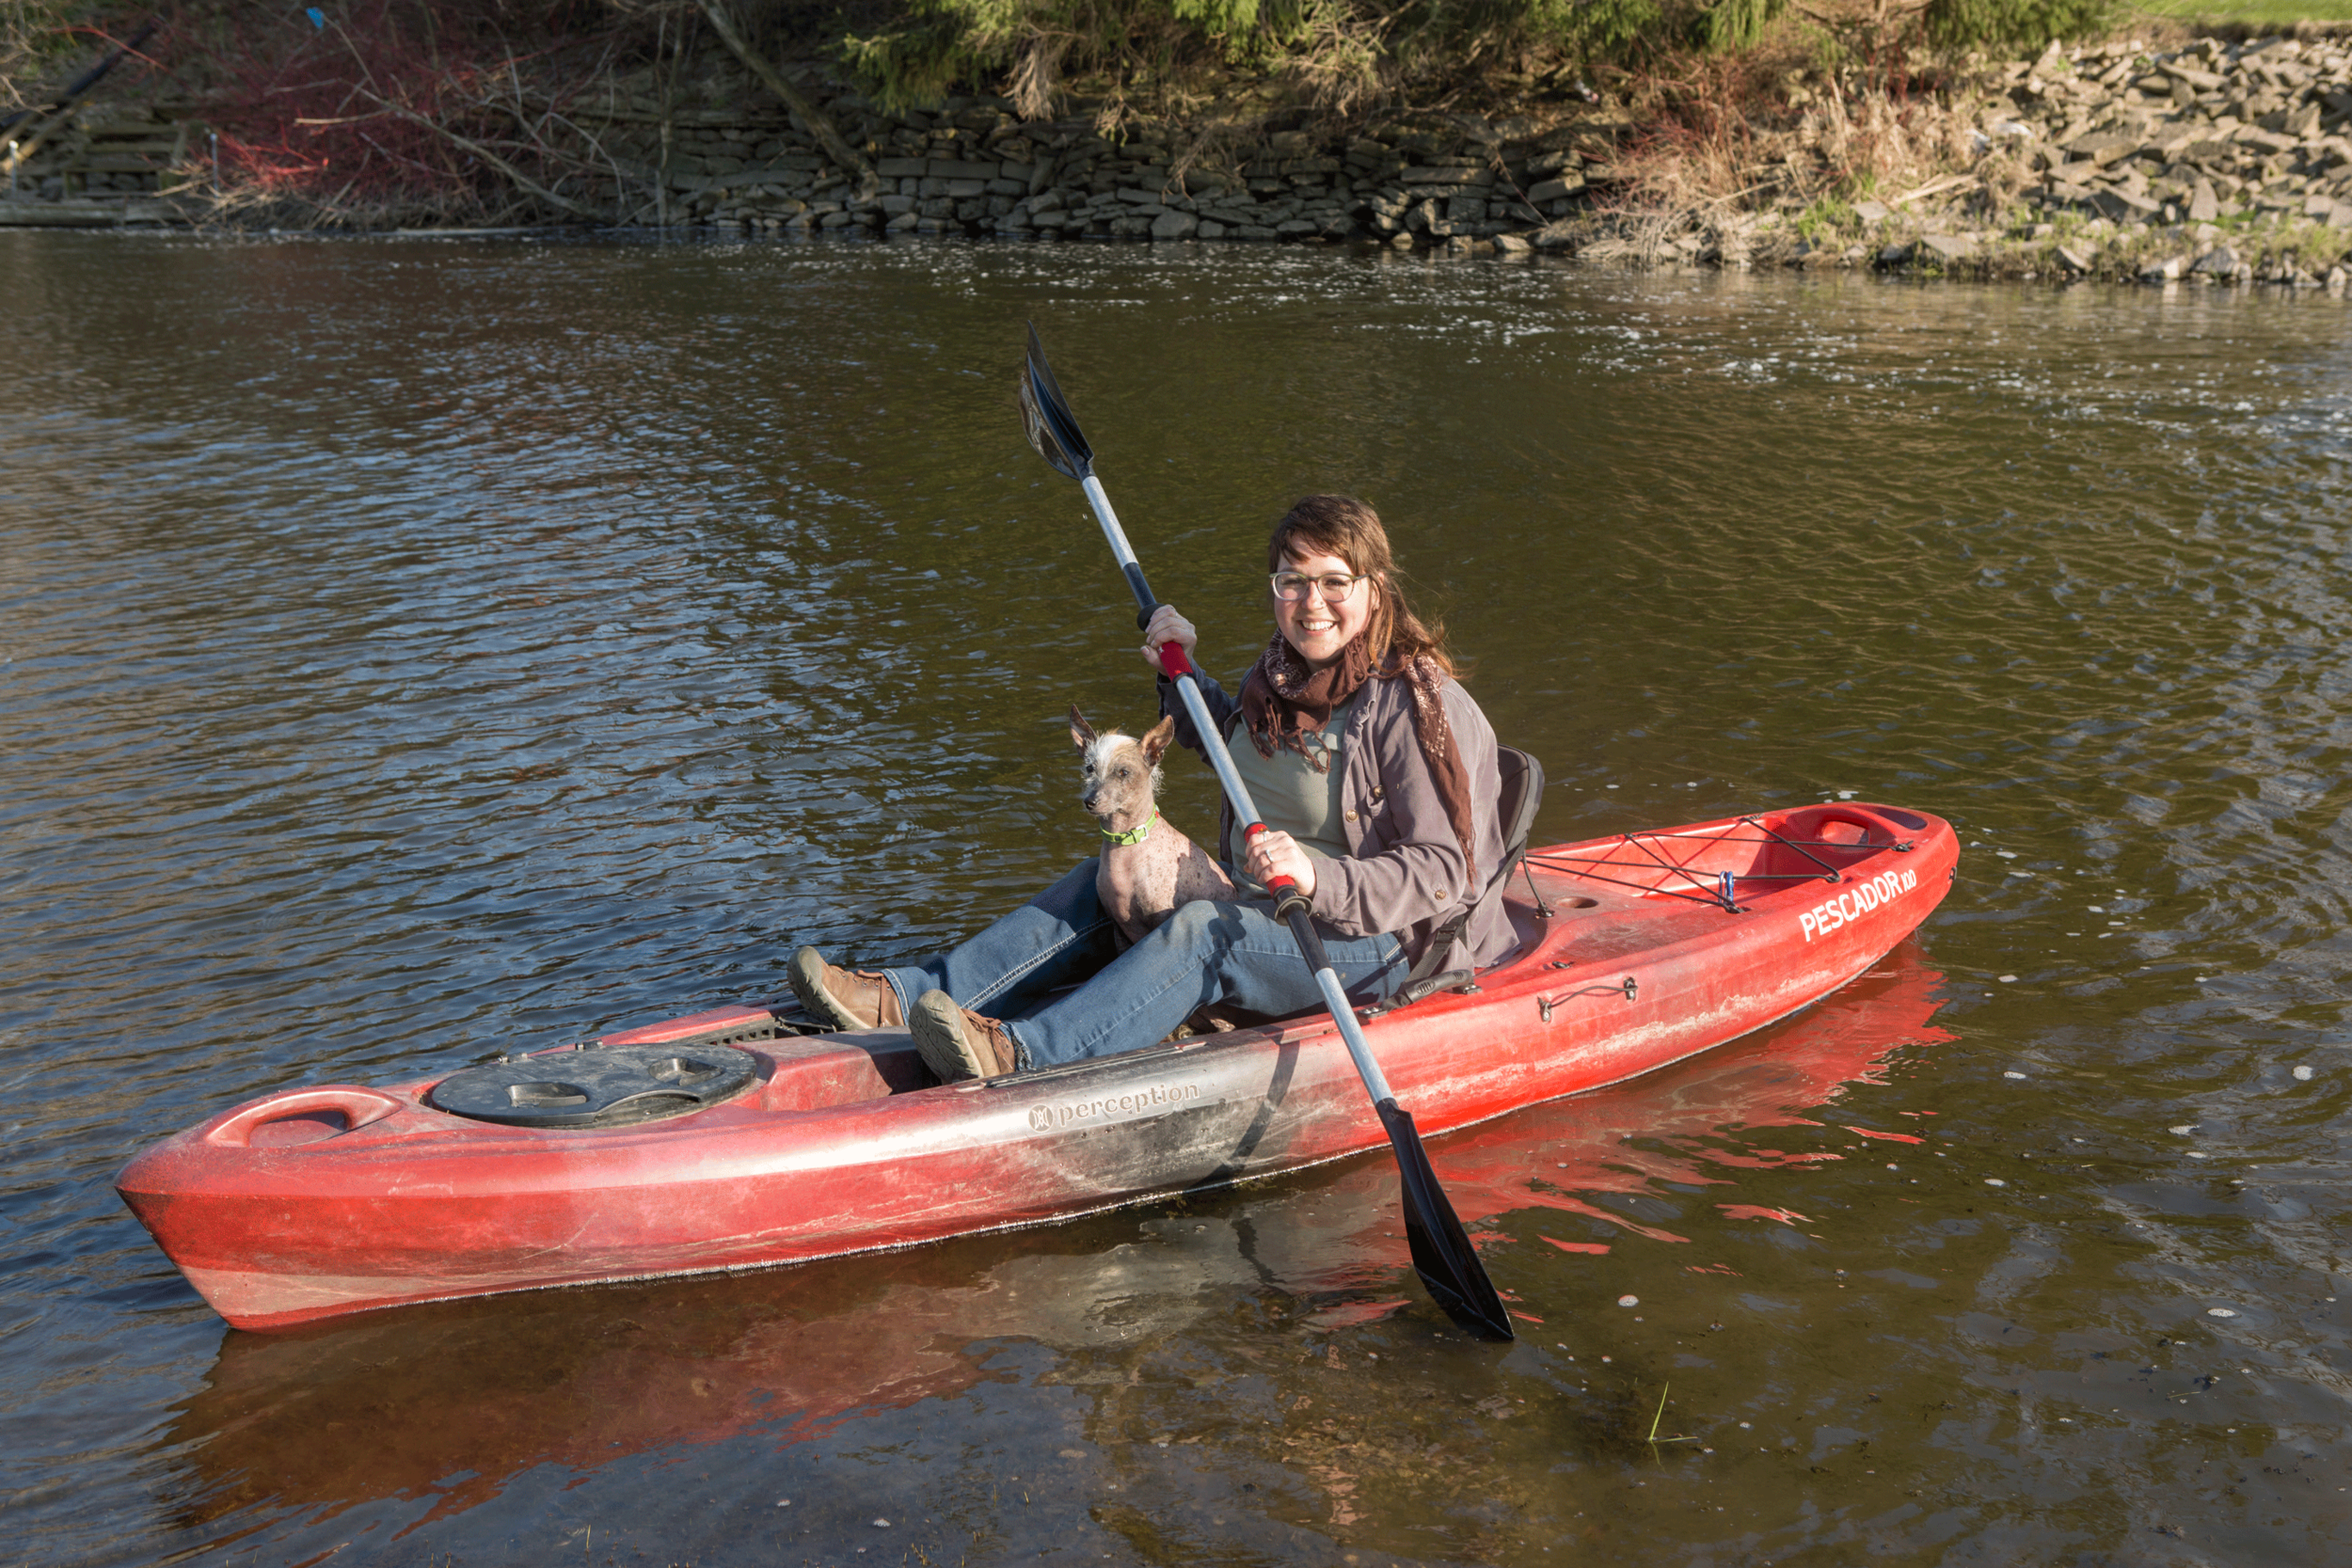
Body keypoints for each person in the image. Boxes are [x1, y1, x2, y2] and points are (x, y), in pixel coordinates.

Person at [787, 494, 1514, 1083]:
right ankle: (904, 997)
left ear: (1373, 589)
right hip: (1270, 912)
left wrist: (1316, 876)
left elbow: (1447, 872)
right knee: (1107, 880)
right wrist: (1182, 675)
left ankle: (1025, 1053)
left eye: (1333, 582)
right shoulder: (1282, 677)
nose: (1311, 601)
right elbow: (1239, 748)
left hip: (1382, 946)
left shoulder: (1416, 704)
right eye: (1293, 581)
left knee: (1202, 933)